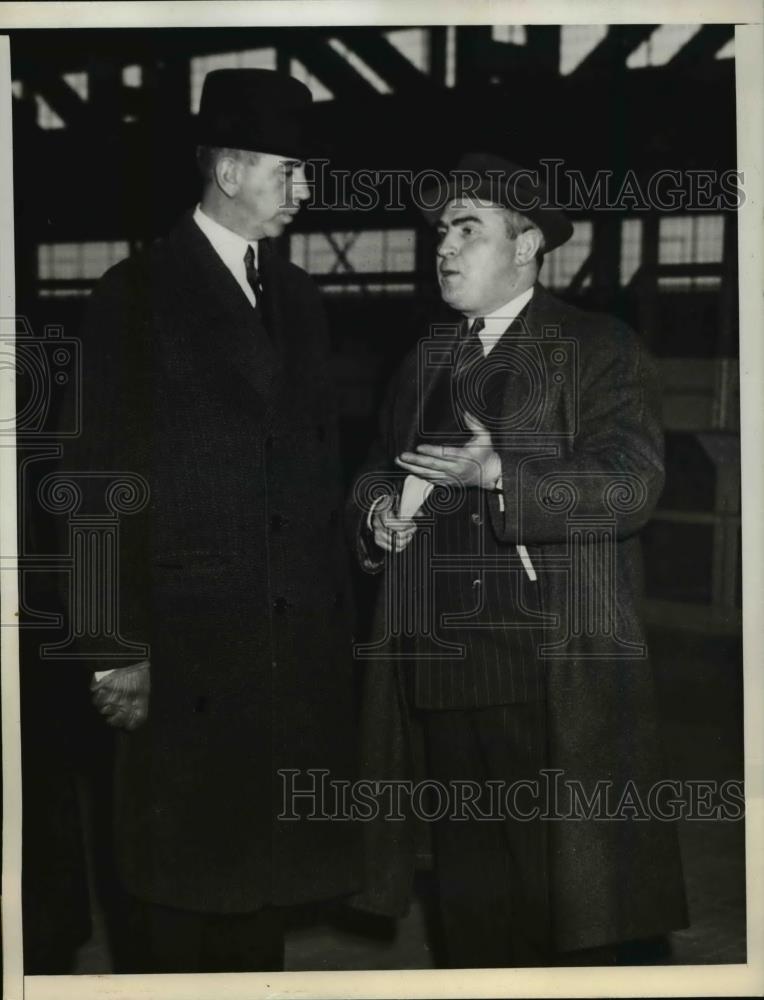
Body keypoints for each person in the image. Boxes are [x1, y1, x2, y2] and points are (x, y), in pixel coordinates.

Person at [349, 152, 687, 968]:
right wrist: (378, 513)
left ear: (529, 243)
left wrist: (502, 474)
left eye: (469, 229)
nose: (445, 248)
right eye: (440, 232)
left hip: (549, 682)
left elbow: (630, 484)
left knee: (572, 923)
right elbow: (371, 465)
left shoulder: (598, 346)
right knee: (472, 925)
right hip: (441, 678)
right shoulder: (425, 359)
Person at [59, 69, 361, 973]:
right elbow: (93, 481)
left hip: (284, 650)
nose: (305, 191)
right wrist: (115, 644)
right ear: (229, 170)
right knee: (177, 893)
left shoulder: (302, 300)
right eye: (289, 171)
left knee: (254, 891)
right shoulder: (133, 293)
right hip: (185, 646)